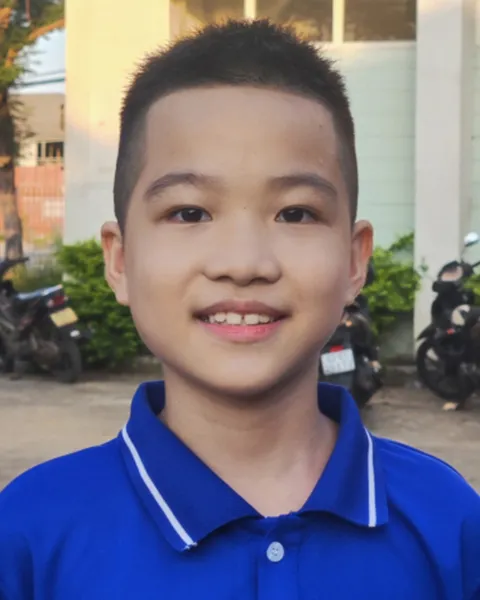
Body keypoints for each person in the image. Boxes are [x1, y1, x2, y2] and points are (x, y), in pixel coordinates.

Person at [0, 19, 479, 600]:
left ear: (355, 261)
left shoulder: (449, 523)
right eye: (190, 213)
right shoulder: (29, 537)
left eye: (296, 213)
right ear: (120, 260)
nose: (244, 262)